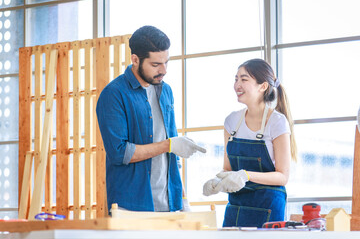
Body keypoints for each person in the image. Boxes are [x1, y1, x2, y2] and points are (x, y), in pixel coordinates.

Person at [96, 25, 206, 213]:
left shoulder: (166, 91)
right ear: (135, 60)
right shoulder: (113, 94)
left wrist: (183, 199)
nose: (163, 70)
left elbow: (173, 151)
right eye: (155, 65)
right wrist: (168, 145)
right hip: (130, 207)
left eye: (166, 63)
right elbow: (120, 153)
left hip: (169, 204)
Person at [203, 58, 297, 228]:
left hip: (268, 209)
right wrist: (218, 183)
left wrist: (246, 175)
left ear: (263, 86)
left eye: (244, 79)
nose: (237, 85)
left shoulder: (276, 122)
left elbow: (282, 176)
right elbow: (228, 169)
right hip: (237, 208)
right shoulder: (231, 122)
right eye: (236, 79)